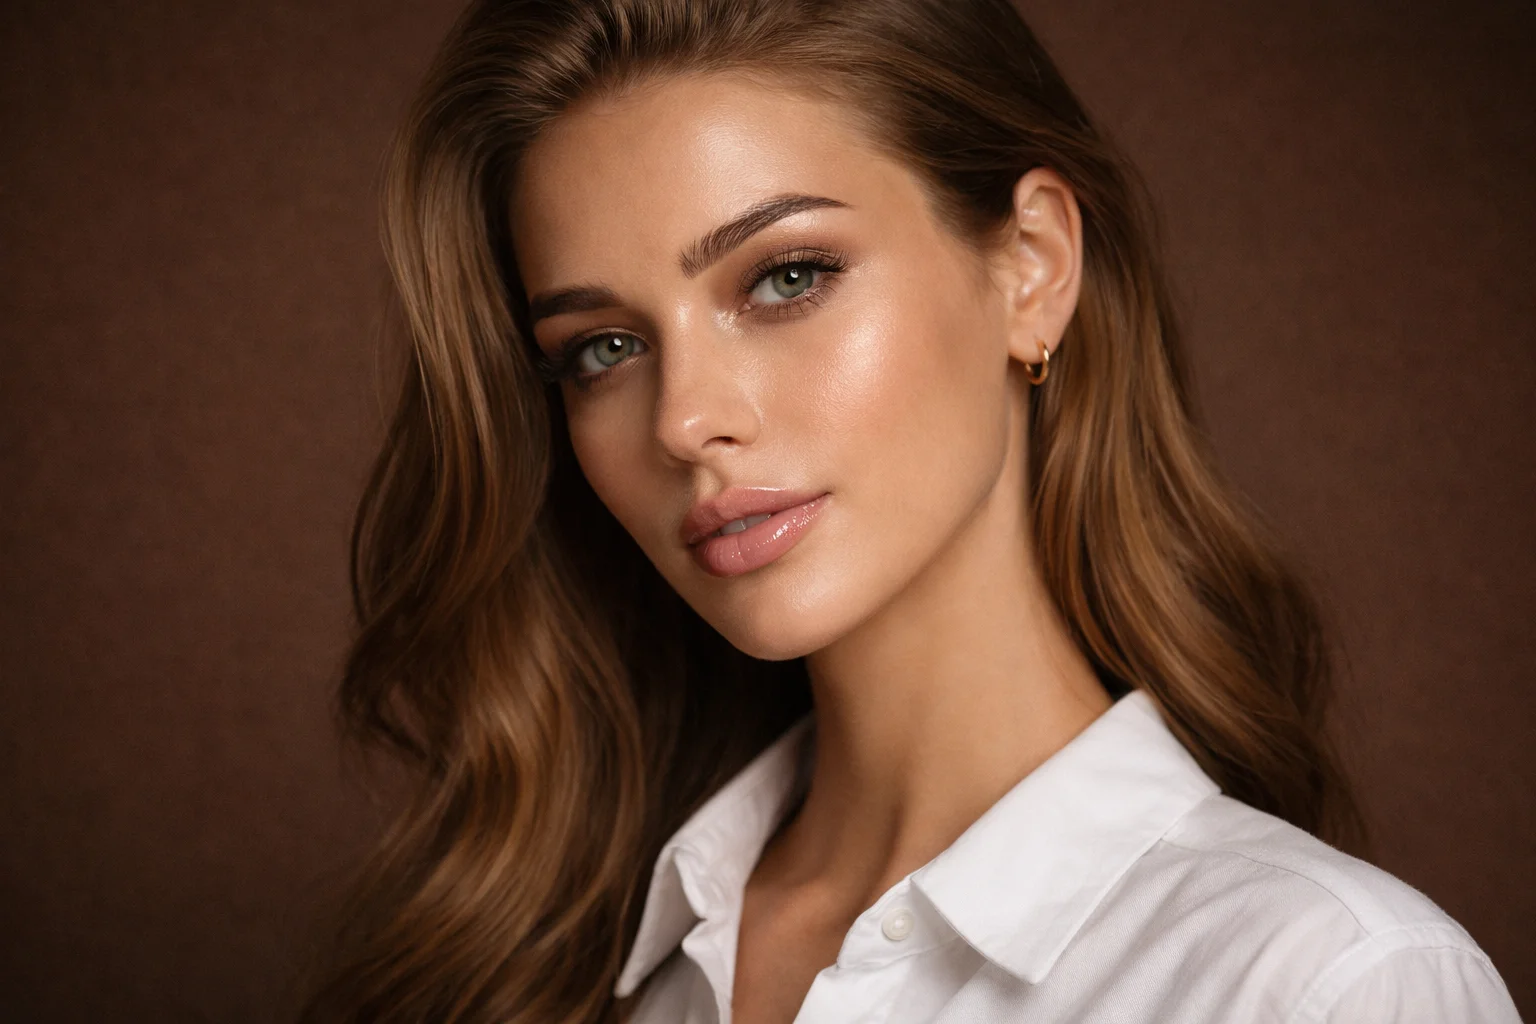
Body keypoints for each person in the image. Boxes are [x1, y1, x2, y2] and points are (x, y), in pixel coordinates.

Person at [301, 1, 1522, 1021]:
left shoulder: (1324, 983)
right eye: (603, 347)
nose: (684, 420)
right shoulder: (567, 967)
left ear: (1032, 266)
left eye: (786, 277)